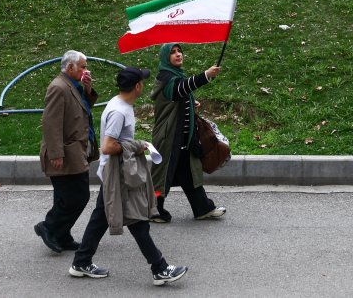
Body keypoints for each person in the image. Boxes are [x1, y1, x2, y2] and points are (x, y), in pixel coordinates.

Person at [70, 66, 188, 287]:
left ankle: (81, 261)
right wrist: (137, 146)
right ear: (137, 86)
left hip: (115, 172)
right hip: (118, 173)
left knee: (100, 218)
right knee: (137, 221)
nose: (144, 84)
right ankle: (160, 268)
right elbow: (107, 147)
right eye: (142, 81)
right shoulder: (119, 111)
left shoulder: (122, 105)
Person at [150, 43, 226, 223]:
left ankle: (203, 209)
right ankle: (153, 209)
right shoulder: (165, 77)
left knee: (191, 174)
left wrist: (191, 103)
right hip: (168, 139)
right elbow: (179, 89)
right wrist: (206, 75)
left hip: (183, 140)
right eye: (173, 52)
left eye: (179, 51)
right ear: (165, 58)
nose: (178, 55)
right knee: (161, 177)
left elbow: (181, 95)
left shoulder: (176, 75)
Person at [36, 50, 97, 254]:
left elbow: (84, 110)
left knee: (65, 197)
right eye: (83, 66)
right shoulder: (58, 87)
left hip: (75, 151)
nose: (85, 70)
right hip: (65, 153)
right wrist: (56, 154)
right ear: (70, 67)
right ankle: (49, 227)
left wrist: (87, 89)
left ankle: (62, 236)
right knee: (78, 196)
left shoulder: (73, 86)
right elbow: (50, 123)